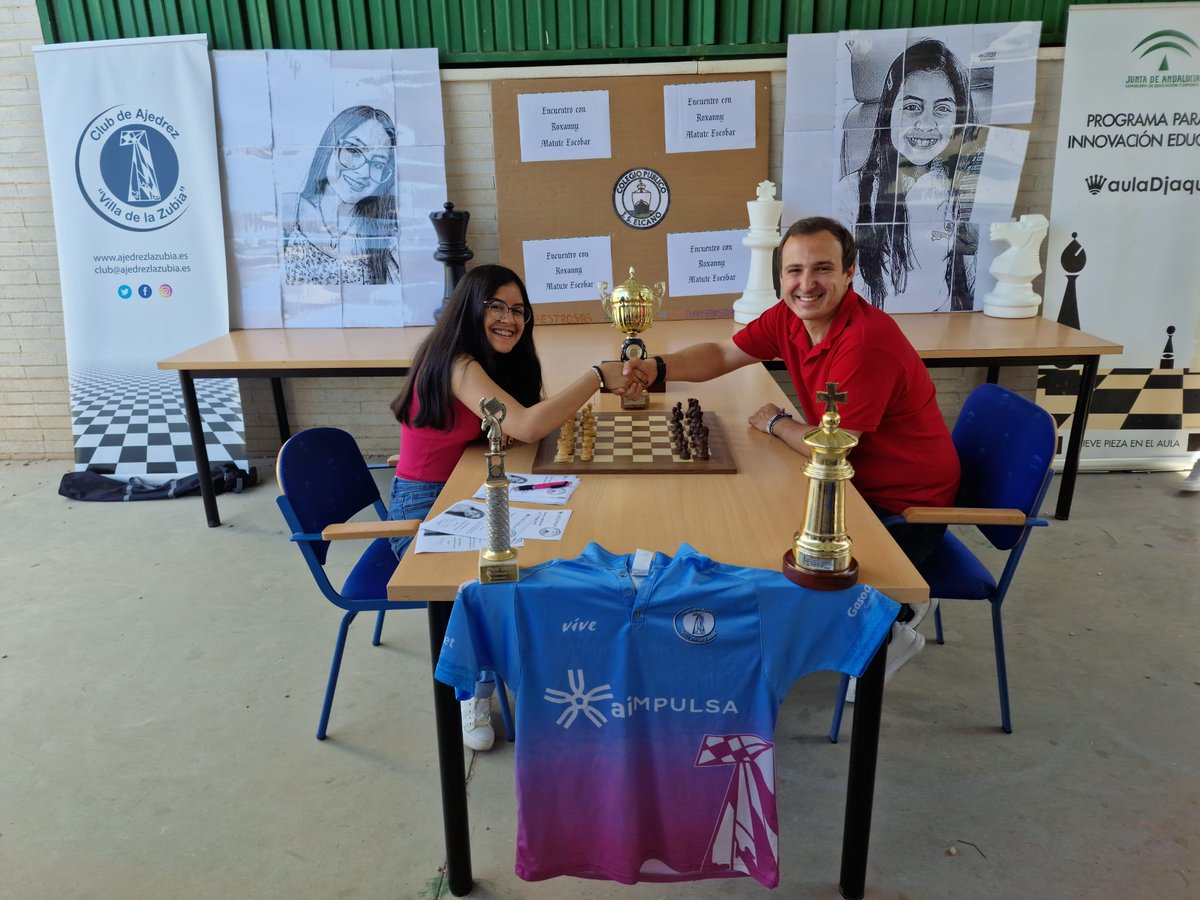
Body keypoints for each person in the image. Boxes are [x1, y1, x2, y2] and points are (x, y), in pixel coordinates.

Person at [623, 217, 961, 692]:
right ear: (780, 276)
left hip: (899, 505)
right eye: (794, 270)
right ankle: (895, 605)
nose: (806, 284)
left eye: (822, 269)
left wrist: (778, 423)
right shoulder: (789, 317)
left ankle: (890, 630)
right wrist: (657, 366)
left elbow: (832, 453)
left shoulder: (864, 344)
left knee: (770, 565)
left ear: (850, 272)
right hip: (855, 486)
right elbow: (721, 356)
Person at [389, 264, 634, 749]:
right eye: (496, 306)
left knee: (561, 540)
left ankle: (539, 663)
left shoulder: (488, 359)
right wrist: (597, 377)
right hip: (424, 512)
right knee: (490, 577)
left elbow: (523, 424)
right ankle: (471, 688)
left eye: (519, 310)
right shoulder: (458, 362)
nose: (510, 318)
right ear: (469, 309)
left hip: (468, 484)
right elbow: (523, 426)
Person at [836, 38, 981, 313]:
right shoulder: (851, 194)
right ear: (889, 112)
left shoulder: (963, 191)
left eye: (942, 109)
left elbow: (974, 285)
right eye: (912, 107)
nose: (926, 124)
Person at [283, 105, 400, 286]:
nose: (362, 172)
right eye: (353, 150)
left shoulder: (385, 233)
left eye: (377, 164)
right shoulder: (289, 211)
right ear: (330, 146)